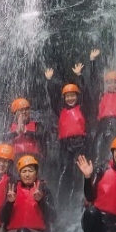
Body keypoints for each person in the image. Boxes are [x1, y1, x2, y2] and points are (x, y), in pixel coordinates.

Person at [44, 64, 89, 205]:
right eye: (67, 96)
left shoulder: (83, 107)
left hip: (80, 143)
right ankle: (62, 200)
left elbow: (86, 93)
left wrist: (79, 76)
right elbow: (52, 97)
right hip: (65, 144)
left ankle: (84, 196)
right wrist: (49, 81)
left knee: (80, 170)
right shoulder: (60, 109)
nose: (70, 98)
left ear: (77, 96)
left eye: (72, 96)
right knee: (64, 170)